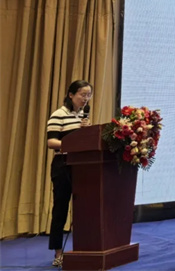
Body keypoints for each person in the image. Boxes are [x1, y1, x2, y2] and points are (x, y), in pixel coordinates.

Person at [46, 80, 93, 268]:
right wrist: (73, 143)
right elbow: (51, 142)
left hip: (80, 165)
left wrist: (87, 132)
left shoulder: (83, 116)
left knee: (85, 208)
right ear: (71, 95)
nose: (86, 98)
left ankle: (86, 248)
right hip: (62, 165)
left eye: (88, 95)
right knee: (60, 209)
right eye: (82, 94)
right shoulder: (59, 114)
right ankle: (58, 253)